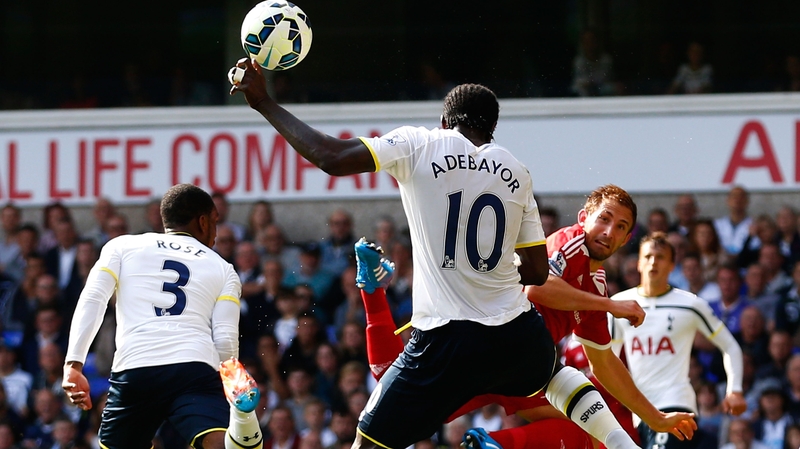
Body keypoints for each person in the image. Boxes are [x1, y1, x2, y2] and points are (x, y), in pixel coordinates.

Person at [229, 61, 670, 449]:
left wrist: (264, 102)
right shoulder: (516, 171)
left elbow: (329, 156)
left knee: (370, 438)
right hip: (518, 337)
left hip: (445, 338)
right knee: (552, 377)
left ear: (445, 121)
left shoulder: (421, 144)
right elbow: (536, 270)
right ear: (491, 130)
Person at [351, 186, 697, 449]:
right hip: (492, 343)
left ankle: (494, 444)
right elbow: (538, 288)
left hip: (518, 369)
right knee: (389, 386)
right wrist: (613, 307)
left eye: (620, 227)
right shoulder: (569, 242)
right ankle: (371, 288)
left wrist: (656, 417)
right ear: (583, 219)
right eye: (604, 219)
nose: (609, 231)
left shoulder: (597, 285)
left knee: (583, 424)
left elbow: (603, 363)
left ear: (626, 239)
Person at [60, 183, 263, 449]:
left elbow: (93, 298)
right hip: (194, 367)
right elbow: (224, 338)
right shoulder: (224, 269)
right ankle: (242, 419)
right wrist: (232, 379)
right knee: (220, 442)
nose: (214, 235)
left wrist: (74, 364)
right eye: (214, 222)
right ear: (203, 221)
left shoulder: (121, 246)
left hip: (136, 367)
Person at [610, 232, 747, 448]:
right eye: (647, 256)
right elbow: (608, 360)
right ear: (638, 263)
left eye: (660, 257)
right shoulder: (619, 304)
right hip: (639, 411)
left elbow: (729, 345)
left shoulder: (690, 304)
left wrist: (735, 390)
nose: (653, 262)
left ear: (673, 265)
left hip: (676, 403)